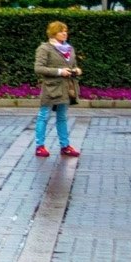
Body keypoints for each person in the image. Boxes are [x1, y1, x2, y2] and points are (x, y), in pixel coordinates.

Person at [34, 20, 81, 158]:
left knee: (62, 117)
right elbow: (38, 68)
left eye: (65, 31)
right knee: (43, 116)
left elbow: (74, 64)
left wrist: (76, 70)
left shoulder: (70, 49)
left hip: (66, 88)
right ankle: (39, 146)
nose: (64, 33)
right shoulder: (45, 48)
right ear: (53, 34)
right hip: (51, 88)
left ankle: (65, 146)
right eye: (61, 31)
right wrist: (59, 71)